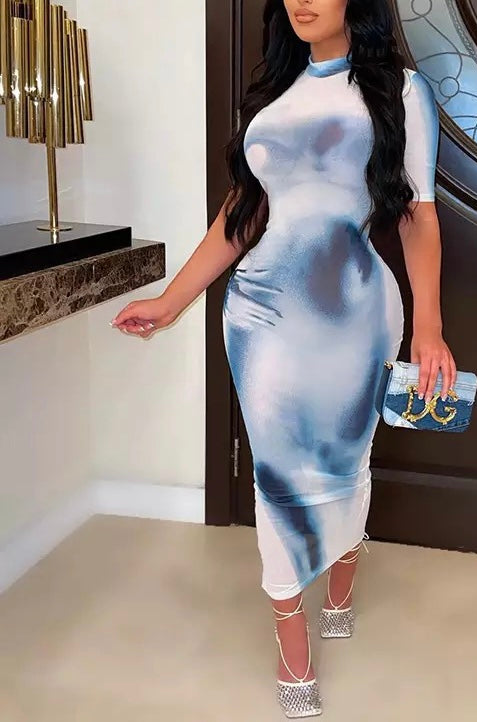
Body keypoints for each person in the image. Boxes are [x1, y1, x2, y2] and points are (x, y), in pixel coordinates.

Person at [112, 0, 454, 716]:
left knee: (345, 463)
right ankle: (291, 638)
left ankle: (340, 585)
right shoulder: (273, 94)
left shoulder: (399, 90)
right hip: (261, 317)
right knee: (276, 477)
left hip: (356, 319)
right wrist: (172, 302)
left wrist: (429, 327)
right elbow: (242, 214)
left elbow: (418, 214)